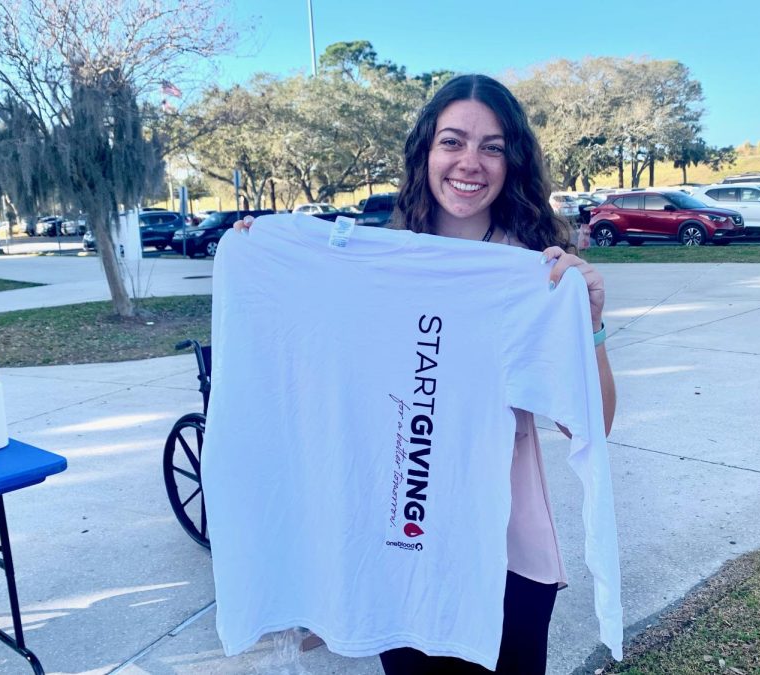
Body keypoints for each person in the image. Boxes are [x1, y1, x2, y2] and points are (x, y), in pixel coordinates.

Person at [234, 73, 617, 675]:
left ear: (512, 160)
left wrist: (587, 324)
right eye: (453, 141)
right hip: (398, 544)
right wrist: (267, 257)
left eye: (493, 146)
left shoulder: (532, 274)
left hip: (504, 550)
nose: (471, 162)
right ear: (425, 153)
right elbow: (306, 360)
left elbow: (595, 425)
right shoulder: (374, 267)